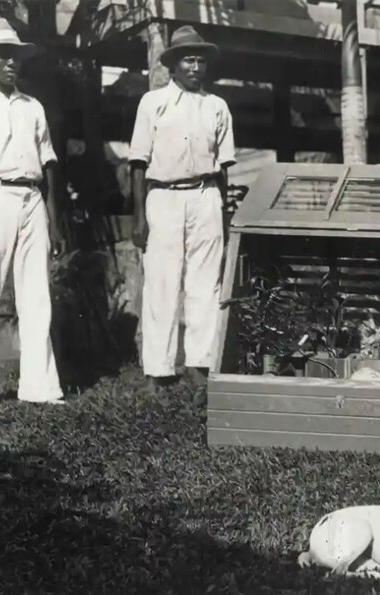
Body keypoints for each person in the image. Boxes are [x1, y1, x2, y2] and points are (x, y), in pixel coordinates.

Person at [0, 18, 66, 413]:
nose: (11, 63)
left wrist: (53, 221)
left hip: (31, 200)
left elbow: (49, 163)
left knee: (37, 296)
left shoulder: (32, 106)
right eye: (2, 55)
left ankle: (40, 387)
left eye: (16, 56)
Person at [128, 25, 236, 398]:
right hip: (163, 196)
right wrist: (140, 218)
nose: (195, 67)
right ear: (173, 65)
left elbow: (222, 167)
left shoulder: (217, 106)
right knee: (162, 283)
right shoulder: (152, 102)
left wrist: (222, 212)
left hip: (206, 196)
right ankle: (157, 371)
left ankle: (198, 364)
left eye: (201, 60)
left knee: (205, 285)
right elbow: (138, 163)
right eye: (188, 60)